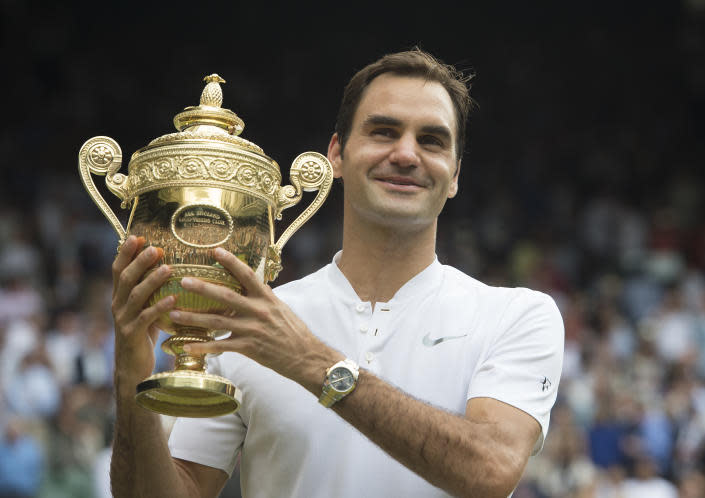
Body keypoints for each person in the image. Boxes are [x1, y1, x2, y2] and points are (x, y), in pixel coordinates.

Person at [109, 49, 564, 498]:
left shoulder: (516, 316)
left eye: (432, 140)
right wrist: (132, 372)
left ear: (456, 173)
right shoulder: (249, 323)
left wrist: (311, 362)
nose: (406, 154)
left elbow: (491, 470)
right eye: (383, 132)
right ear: (336, 156)